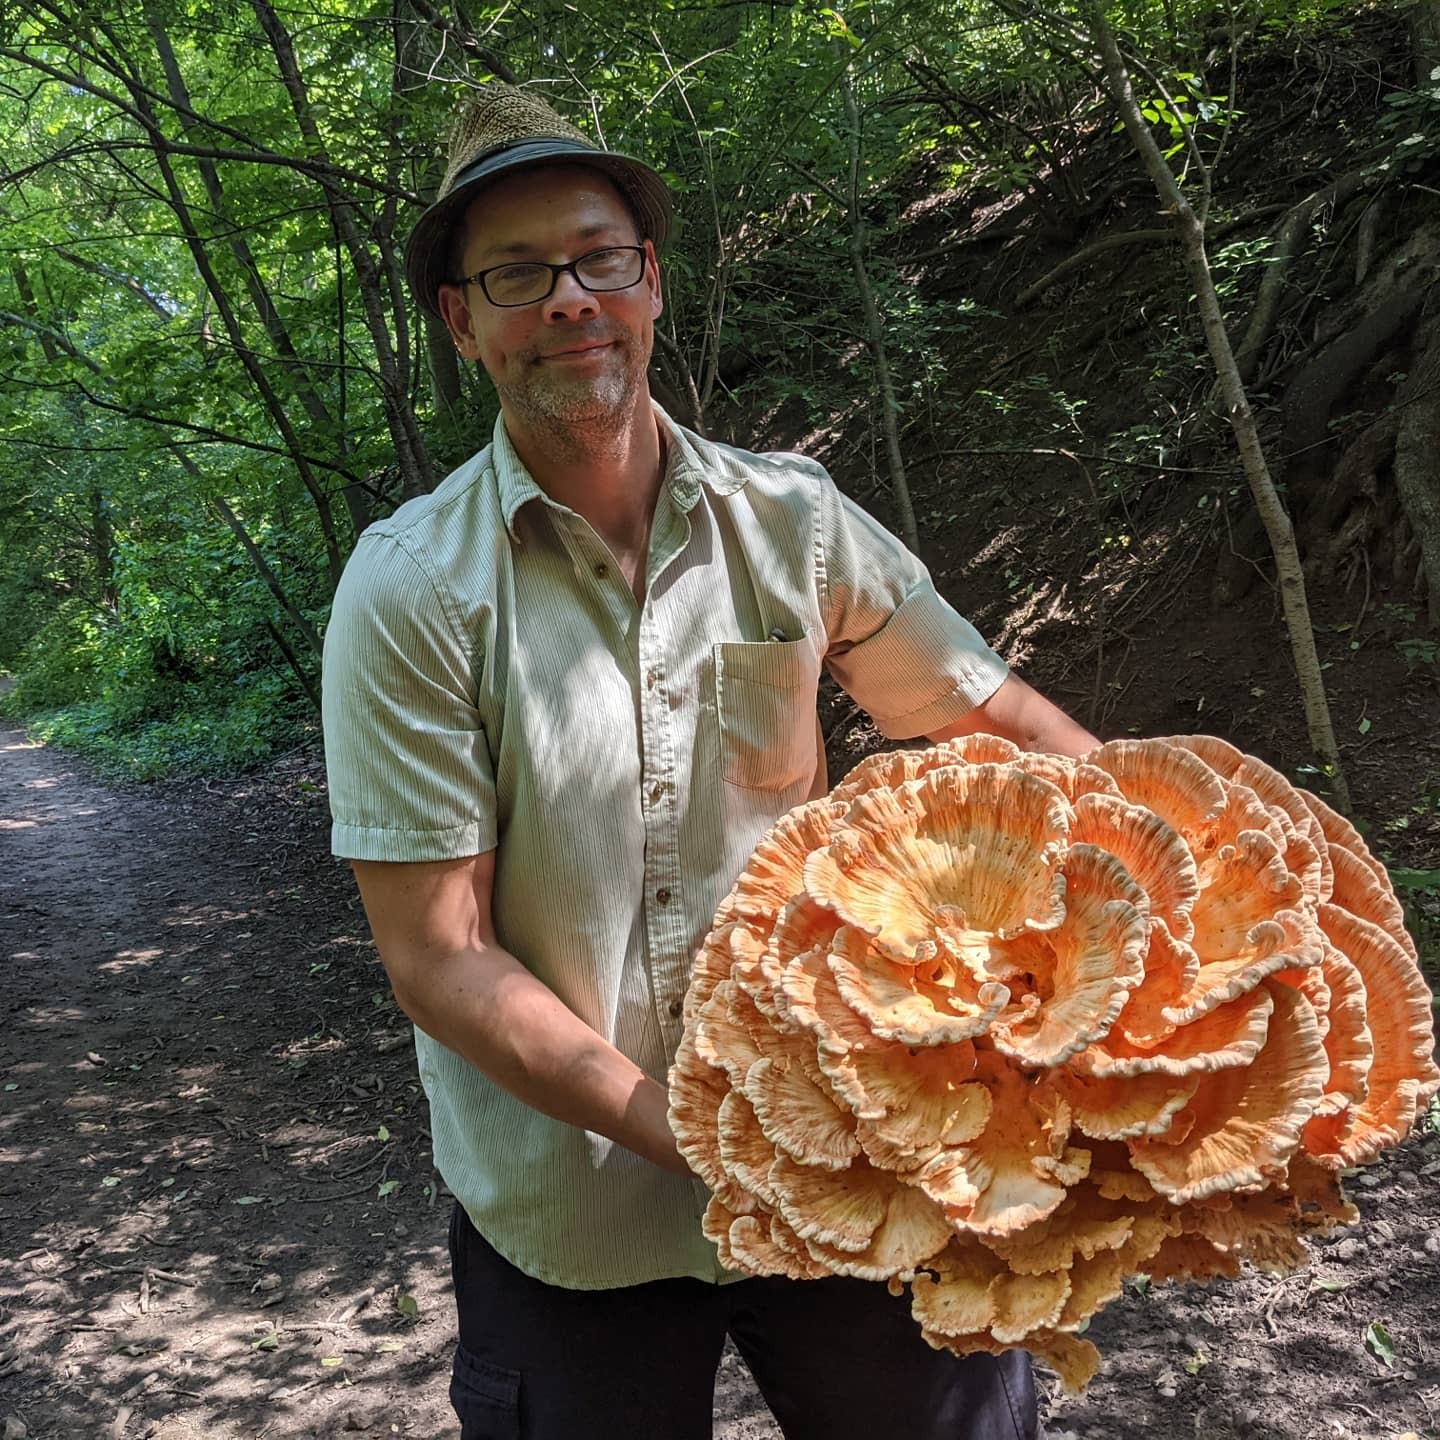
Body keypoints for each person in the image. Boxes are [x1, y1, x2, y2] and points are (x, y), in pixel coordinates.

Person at [322, 82, 1098, 1440]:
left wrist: (1180, 861)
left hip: (866, 1165)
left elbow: (988, 718)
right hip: (575, 1213)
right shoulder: (414, 592)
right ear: (461, 320)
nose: (568, 300)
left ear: (650, 282)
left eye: (596, 258)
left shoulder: (790, 521)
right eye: (516, 274)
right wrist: (711, 1133)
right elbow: (438, 957)